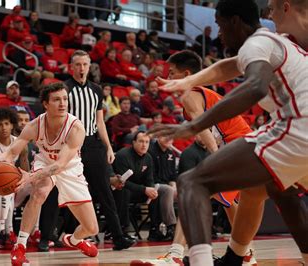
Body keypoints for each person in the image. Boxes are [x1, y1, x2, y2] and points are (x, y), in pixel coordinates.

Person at [149, 0, 308, 265]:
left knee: (191, 182)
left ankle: (199, 260)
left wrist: (193, 126)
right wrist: (189, 80)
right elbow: (231, 65)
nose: (219, 33)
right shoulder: (283, 44)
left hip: (297, 128)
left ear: (234, 21)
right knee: (274, 191)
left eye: (221, 26)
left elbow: (256, 86)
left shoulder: (260, 43)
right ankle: (236, 257)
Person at [141, 50, 256, 265]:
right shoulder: (199, 93)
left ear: (185, 74)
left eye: (172, 72)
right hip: (244, 144)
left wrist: (216, 155)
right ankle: (246, 253)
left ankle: (175, 255)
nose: (168, 77)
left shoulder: (190, 94)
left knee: (195, 193)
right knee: (228, 202)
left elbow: (203, 127)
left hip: (238, 143)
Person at [0, 83, 98, 265]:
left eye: (65, 99)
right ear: (45, 104)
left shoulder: (76, 128)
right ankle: (20, 246)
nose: (62, 103)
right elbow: (12, 151)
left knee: (91, 227)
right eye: (57, 100)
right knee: (39, 193)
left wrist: (30, 177)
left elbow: (60, 165)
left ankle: (73, 240)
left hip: (69, 168)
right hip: (45, 162)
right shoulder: (34, 125)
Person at [65, 50, 136, 250]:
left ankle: (119, 237)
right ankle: (53, 236)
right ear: (72, 67)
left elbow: (100, 121)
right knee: (70, 190)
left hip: (93, 143)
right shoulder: (64, 89)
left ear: (89, 67)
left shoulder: (96, 90)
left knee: (105, 190)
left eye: (85, 65)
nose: (81, 68)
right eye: (77, 64)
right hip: (71, 144)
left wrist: (108, 146)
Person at [0, 108, 29, 249]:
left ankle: (35, 231)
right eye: (0, 125)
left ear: (12, 125)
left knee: (38, 187)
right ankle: (4, 232)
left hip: (15, 184)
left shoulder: (19, 143)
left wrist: (23, 181)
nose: (4, 128)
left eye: (6, 123)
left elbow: (25, 170)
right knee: (5, 185)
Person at [112, 132, 159, 235]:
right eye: (141, 141)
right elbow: (122, 182)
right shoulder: (122, 155)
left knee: (155, 194)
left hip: (138, 191)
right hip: (120, 190)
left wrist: (151, 189)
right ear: (133, 142)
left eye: (147, 142)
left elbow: (149, 179)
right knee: (124, 191)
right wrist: (144, 189)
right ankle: (122, 230)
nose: (144, 145)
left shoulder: (148, 158)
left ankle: (155, 230)